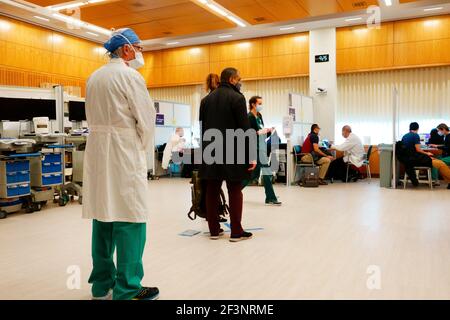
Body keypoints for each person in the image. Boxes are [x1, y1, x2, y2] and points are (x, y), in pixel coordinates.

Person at [83, 28, 159, 300]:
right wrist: (142, 152)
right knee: (131, 217)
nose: (140, 53)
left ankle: (101, 283)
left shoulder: (93, 78)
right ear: (126, 49)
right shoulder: (130, 77)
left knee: (103, 215)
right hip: (124, 153)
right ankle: (128, 287)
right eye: (139, 47)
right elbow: (146, 121)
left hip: (98, 153)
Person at [199, 67, 256, 242]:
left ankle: (214, 230)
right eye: (239, 78)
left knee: (212, 190)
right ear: (232, 79)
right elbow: (244, 129)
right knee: (234, 189)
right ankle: (236, 232)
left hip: (210, 149)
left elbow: (202, 128)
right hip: (233, 149)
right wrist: (251, 155)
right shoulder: (237, 98)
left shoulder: (206, 100)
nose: (240, 82)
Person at [242, 96, 281, 206]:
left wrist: (269, 131)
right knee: (267, 172)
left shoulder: (259, 116)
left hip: (262, 147)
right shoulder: (249, 117)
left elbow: (261, 133)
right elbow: (251, 134)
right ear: (253, 104)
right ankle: (270, 197)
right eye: (259, 103)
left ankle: (235, 190)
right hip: (255, 149)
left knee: (253, 175)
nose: (261, 106)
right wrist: (261, 132)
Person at [400, 122, 450, 187]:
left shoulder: (405, 136)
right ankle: (436, 180)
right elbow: (418, 149)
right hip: (414, 159)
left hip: (408, 159)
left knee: (437, 161)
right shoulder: (415, 135)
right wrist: (427, 153)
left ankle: (439, 180)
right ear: (417, 128)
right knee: (439, 163)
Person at [429, 123, 450, 189]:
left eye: (439, 130)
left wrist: (438, 146)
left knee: (436, 162)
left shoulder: (449, 136)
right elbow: (446, 146)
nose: (438, 132)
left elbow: (448, 148)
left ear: (443, 129)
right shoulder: (446, 136)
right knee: (437, 161)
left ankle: (435, 180)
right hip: (447, 156)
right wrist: (437, 146)